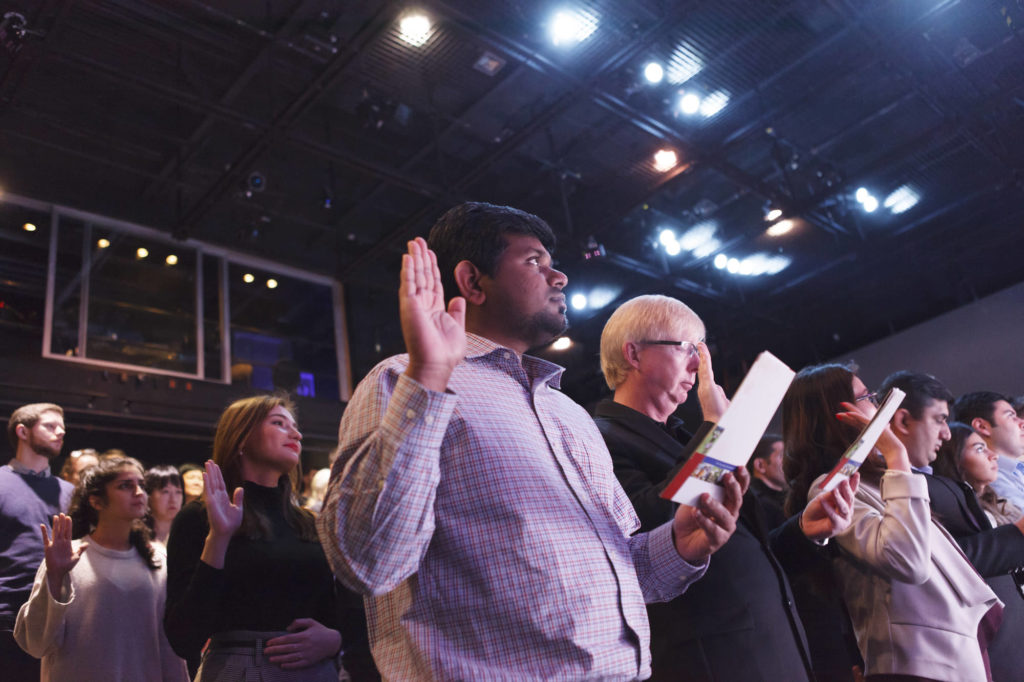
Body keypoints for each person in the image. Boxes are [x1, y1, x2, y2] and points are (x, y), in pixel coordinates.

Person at [317, 202, 743, 680]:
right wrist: (430, 376)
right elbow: (369, 562)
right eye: (534, 260)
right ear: (473, 282)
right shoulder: (404, 381)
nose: (558, 275)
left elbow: (624, 574)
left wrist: (680, 544)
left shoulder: (569, 414)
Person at [592, 294, 857, 681]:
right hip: (714, 660)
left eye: (701, 350)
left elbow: (740, 548)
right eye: (685, 347)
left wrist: (803, 531)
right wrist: (715, 430)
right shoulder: (599, 438)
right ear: (633, 355)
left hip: (771, 651)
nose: (698, 364)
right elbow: (653, 528)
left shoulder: (684, 439)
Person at [784, 364, 1003, 681]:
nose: (877, 405)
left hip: (943, 653)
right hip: (916, 661)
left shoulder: (875, 478)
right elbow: (909, 561)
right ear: (838, 414)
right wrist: (896, 454)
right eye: (867, 396)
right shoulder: (830, 487)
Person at [165, 395, 344, 681]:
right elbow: (183, 637)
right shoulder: (199, 517)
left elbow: (337, 608)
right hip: (238, 668)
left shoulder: (309, 523)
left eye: (295, 427)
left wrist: (336, 639)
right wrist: (219, 538)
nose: (296, 434)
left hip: (316, 670)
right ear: (241, 438)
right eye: (279, 423)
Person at [881, 371, 1024, 680]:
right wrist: (1017, 534)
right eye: (939, 420)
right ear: (903, 421)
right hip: (970, 651)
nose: (946, 433)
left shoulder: (929, 481)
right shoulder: (894, 487)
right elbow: (935, 562)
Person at [13, 456, 188, 681]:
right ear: (97, 501)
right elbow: (35, 643)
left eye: (141, 485)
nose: (139, 492)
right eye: (126, 485)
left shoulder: (157, 560)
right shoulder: (69, 556)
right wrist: (55, 576)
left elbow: (168, 648)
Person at [1, 403, 73, 682]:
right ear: (22, 431)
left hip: (59, 612)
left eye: (62, 428)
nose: (60, 432)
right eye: (50, 426)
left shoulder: (69, 492)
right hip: (7, 612)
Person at [934, 422, 1023, 526]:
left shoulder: (997, 501)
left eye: (987, 448)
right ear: (954, 460)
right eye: (980, 449)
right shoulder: (958, 514)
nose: (994, 456)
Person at [953, 392, 1024, 517]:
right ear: (982, 426)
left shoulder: (1016, 470)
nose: (1022, 423)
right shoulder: (987, 480)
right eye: (1011, 416)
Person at [748, 434, 788, 529]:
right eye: (783, 456)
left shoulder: (791, 499)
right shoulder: (754, 504)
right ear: (760, 465)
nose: (790, 462)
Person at [144, 465, 184, 545]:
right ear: (148, 495)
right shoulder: (136, 535)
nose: (173, 499)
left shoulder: (187, 534)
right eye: (165, 492)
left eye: (178, 492)